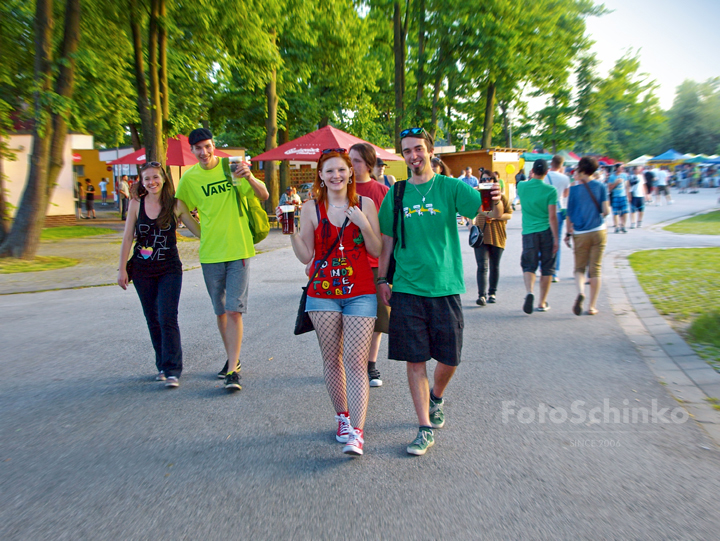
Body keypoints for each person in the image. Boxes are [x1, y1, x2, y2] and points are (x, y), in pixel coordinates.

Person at [376, 127, 502, 456]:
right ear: (402, 156)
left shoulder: (451, 188)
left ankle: (436, 396)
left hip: (446, 286)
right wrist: (380, 281)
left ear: (430, 151)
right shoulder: (397, 194)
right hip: (406, 286)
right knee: (414, 360)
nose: (413, 156)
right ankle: (423, 427)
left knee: (450, 358)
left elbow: (485, 216)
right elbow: (387, 242)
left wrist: (497, 204)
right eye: (407, 151)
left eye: (418, 149)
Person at [280, 149, 381, 457]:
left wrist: (363, 223)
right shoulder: (311, 208)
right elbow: (306, 256)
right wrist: (290, 230)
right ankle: (342, 418)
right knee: (332, 359)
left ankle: (357, 433)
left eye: (341, 169)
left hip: (361, 290)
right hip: (322, 292)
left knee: (355, 359)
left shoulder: (366, 204)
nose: (336, 175)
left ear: (350, 172)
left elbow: (376, 248)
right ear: (321, 176)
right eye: (329, 171)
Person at [175, 128, 269, 391]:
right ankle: (232, 359)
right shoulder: (190, 178)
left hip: (238, 249)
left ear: (214, 145)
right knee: (220, 311)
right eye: (198, 148)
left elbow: (264, 195)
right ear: (192, 151)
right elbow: (180, 208)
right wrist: (200, 233)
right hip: (210, 253)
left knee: (233, 309)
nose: (203, 152)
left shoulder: (232, 167)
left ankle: (232, 369)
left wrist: (249, 177)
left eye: (207, 146)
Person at [117, 162, 201, 387]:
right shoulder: (136, 203)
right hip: (142, 270)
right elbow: (127, 238)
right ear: (141, 181)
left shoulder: (175, 204)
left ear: (163, 178)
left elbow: (199, 231)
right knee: (152, 318)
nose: (151, 182)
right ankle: (162, 366)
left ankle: (173, 369)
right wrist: (121, 268)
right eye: (146, 179)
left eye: (155, 177)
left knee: (167, 316)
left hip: (169, 269)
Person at [349, 142, 391, 388]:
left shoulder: (381, 191)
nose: (351, 165)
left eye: (355, 161)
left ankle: (370, 365)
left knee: (377, 320)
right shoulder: (340, 187)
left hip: (375, 264)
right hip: (347, 264)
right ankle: (346, 363)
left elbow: (387, 233)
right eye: (349, 160)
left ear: (368, 163)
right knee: (346, 316)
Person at [565, 156, 609, 316]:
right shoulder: (601, 186)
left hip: (580, 233)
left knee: (579, 269)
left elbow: (569, 214)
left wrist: (568, 232)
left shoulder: (574, 190)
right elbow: (606, 211)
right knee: (595, 269)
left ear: (581, 169)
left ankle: (581, 292)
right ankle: (592, 306)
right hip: (598, 230)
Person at [516, 159, 559, 314]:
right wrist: (556, 238)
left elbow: (523, 186)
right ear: (547, 172)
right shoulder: (551, 190)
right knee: (547, 267)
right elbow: (552, 217)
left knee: (529, 265)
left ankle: (529, 291)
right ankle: (542, 302)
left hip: (529, 232)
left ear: (532, 171)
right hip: (546, 231)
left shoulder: (521, 186)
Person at [471, 174, 512, 306]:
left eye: (489, 179)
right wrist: (471, 223)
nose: (486, 182)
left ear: (495, 182)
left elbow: (509, 215)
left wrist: (495, 217)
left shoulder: (501, 197)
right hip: (481, 233)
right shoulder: (477, 195)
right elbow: (469, 211)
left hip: (496, 233)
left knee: (495, 265)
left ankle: (492, 293)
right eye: (483, 179)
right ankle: (481, 295)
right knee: (482, 266)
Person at [545, 155, 571, 281]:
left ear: (551, 163)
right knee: (557, 240)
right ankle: (554, 272)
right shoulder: (565, 178)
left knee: (544, 240)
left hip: (545, 211)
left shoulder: (545, 176)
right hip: (559, 210)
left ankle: (543, 267)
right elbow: (566, 194)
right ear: (561, 165)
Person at [607, 164, 629, 233]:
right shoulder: (612, 177)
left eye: (622, 167)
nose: (622, 168)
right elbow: (609, 188)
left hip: (623, 195)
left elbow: (627, 186)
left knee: (625, 211)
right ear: (616, 168)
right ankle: (616, 226)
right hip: (615, 196)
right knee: (615, 212)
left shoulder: (624, 175)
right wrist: (616, 183)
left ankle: (623, 225)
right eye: (620, 167)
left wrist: (628, 195)